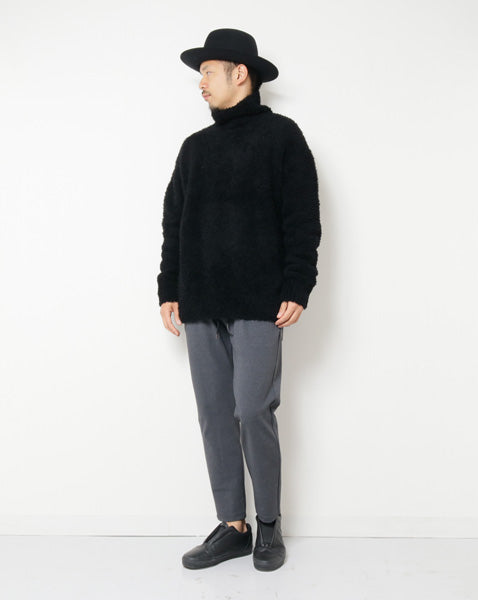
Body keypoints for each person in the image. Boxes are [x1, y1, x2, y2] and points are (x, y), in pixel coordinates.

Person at [157, 28, 321, 571]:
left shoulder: (282, 137)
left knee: (252, 410)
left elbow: (302, 217)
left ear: (240, 73)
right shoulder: (194, 149)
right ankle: (232, 526)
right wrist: (169, 289)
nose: (201, 82)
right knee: (213, 414)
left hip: (258, 301)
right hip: (201, 300)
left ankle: (268, 523)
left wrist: (297, 284)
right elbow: (174, 224)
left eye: (208, 71)